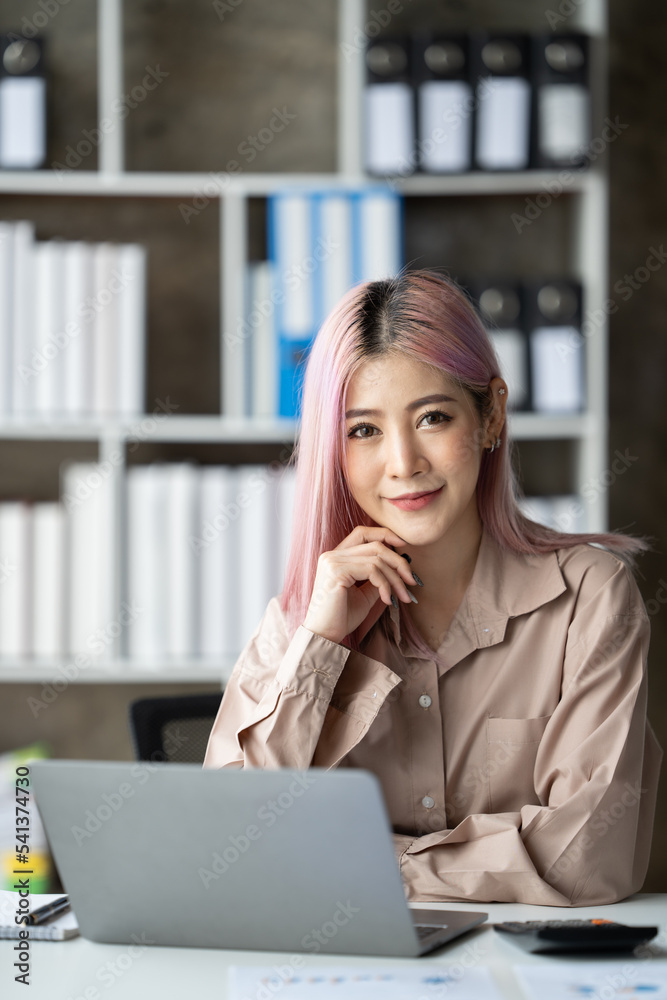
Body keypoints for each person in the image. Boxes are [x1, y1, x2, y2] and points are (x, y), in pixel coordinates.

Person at [204, 269, 662, 906]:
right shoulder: (304, 617)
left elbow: (586, 858)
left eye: (433, 417)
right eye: (363, 430)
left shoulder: (588, 598)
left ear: (491, 414)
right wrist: (321, 646)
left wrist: (361, 864)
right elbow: (229, 843)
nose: (403, 464)